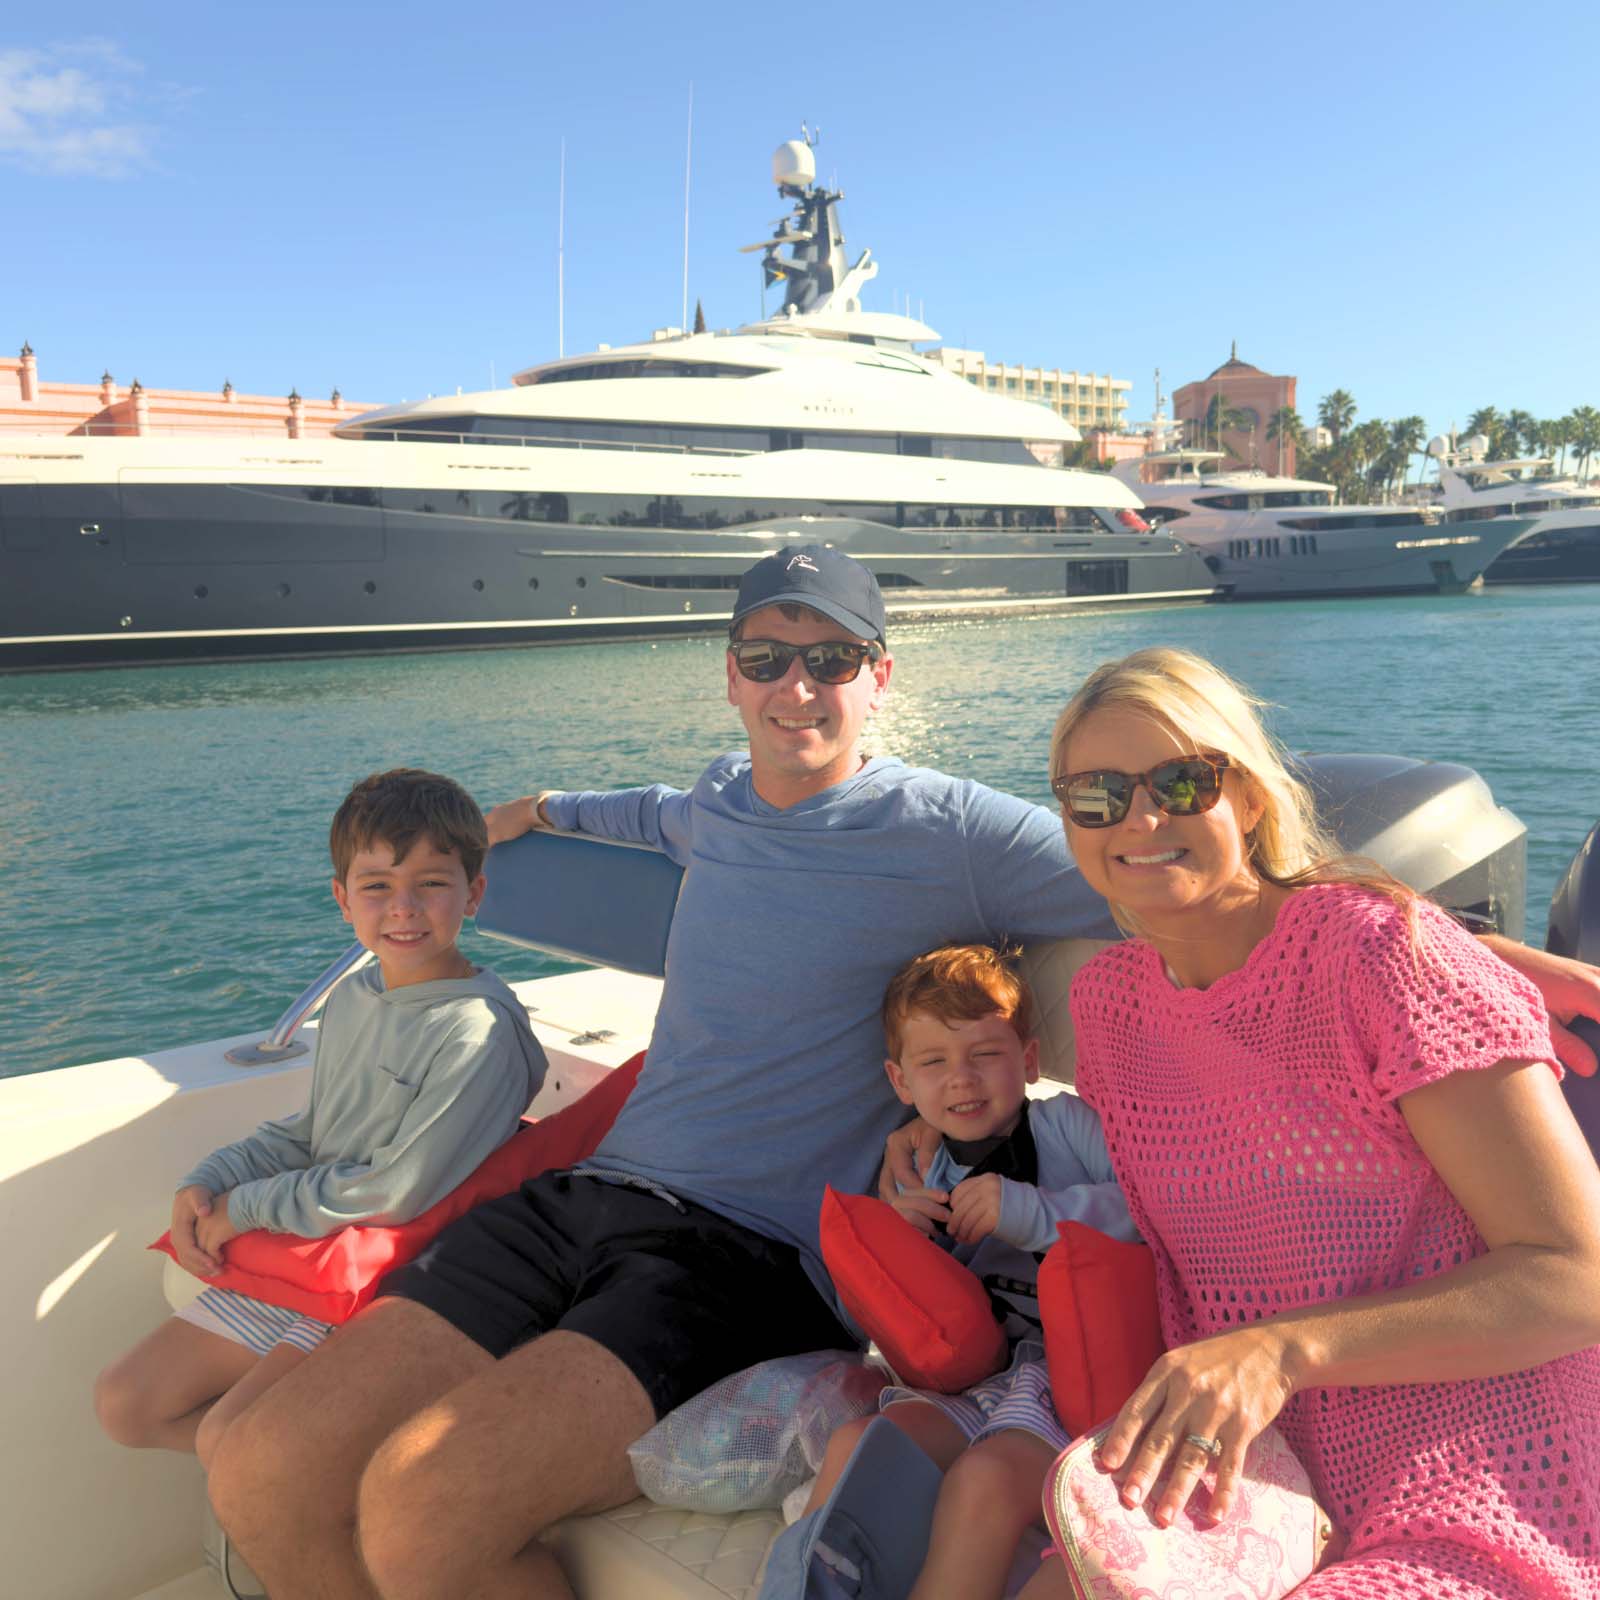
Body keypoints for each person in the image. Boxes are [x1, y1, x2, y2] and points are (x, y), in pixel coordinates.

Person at [207, 549, 1600, 1600]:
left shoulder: (962, 835)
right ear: (731, 676)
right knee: (255, 1456)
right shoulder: (711, 805)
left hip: (736, 1251)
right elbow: (652, 812)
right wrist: (542, 810)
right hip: (588, 1189)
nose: (797, 686)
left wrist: (1455, 947)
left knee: (413, 1507)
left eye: (833, 659)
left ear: (882, 678)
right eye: (768, 657)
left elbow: (1205, 893)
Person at [1009, 647, 1600, 1600]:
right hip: (1260, 1480)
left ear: (1244, 794)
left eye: (1181, 781)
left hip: (1489, 1480)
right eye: (1097, 796)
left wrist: (1280, 1348)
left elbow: (1580, 1276)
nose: (1141, 819)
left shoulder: (1383, 958)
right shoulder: (1111, 1008)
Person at [93, 768, 546, 1469]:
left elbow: (397, 1191)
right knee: (125, 1404)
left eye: (431, 882)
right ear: (342, 901)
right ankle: (327, 1482)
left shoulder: (475, 1033)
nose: (404, 908)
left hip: (391, 1278)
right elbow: (315, 1132)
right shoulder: (358, 996)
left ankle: (310, 1489)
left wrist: (245, 1211)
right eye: (376, 887)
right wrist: (212, 1180)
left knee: (232, 1441)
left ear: (473, 893)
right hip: (316, 1247)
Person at [801, 943, 1137, 1600]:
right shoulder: (920, 1169)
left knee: (986, 1478)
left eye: (985, 1054)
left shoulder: (1067, 1127)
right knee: (858, 1446)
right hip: (978, 1386)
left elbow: (1154, 1208)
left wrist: (1035, 1212)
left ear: (1029, 1061)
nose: (962, 1078)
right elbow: (881, 1314)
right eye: (934, 1062)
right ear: (901, 1082)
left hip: (1073, 1388)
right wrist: (905, 1249)